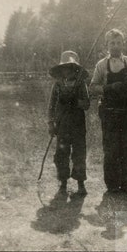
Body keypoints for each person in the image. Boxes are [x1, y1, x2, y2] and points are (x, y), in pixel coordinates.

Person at [90, 28, 127, 192]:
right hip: (109, 112)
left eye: (118, 43)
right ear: (107, 45)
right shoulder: (101, 65)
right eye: (112, 43)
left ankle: (126, 183)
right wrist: (108, 88)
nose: (115, 46)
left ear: (123, 44)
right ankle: (112, 185)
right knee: (111, 148)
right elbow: (93, 87)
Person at [48, 50, 90, 196]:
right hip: (62, 125)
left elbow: (87, 104)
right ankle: (63, 183)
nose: (68, 71)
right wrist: (50, 123)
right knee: (61, 153)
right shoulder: (57, 86)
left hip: (78, 125)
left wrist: (76, 101)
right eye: (65, 68)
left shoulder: (81, 85)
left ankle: (80, 183)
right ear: (61, 70)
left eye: (72, 68)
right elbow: (51, 106)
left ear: (76, 69)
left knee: (79, 153)